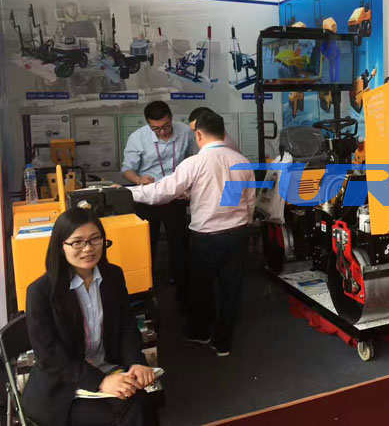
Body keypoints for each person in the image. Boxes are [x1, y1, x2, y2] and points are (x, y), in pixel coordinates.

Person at [129, 111, 256, 357]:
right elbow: (248, 200)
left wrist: (127, 192)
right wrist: (246, 225)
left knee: (201, 288)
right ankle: (223, 343)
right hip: (237, 234)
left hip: (206, 237)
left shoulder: (195, 163)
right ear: (222, 132)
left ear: (198, 134)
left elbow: (160, 193)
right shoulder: (241, 161)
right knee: (231, 288)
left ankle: (200, 332)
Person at [22, 208, 157, 426]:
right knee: (129, 412)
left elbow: (126, 326)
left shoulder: (113, 276)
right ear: (61, 247)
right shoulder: (40, 292)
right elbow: (49, 356)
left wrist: (136, 362)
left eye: (95, 239)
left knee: (142, 402)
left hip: (109, 370)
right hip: (63, 387)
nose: (88, 248)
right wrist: (101, 381)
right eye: (77, 242)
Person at [122, 100, 195, 297]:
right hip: (148, 198)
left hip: (175, 197)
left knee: (178, 241)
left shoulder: (185, 132)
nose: (162, 132)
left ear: (171, 118)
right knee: (147, 241)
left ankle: (179, 280)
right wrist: (138, 179)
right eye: (156, 129)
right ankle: (147, 281)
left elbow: (192, 159)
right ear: (148, 124)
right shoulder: (138, 138)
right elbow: (126, 169)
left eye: (166, 126)